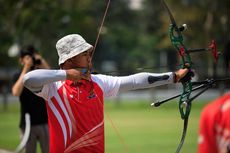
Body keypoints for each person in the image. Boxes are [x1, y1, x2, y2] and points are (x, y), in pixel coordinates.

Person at [23, 34, 193, 153]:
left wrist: (174, 77)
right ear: (70, 60)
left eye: (89, 53)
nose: (90, 57)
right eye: (84, 54)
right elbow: (28, 79)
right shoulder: (53, 87)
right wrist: (66, 74)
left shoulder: (98, 82)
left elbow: (134, 81)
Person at [12, 45, 50, 153]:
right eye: (28, 57)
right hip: (28, 123)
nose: (31, 59)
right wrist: (26, 68)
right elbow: (15, 92)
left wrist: (41, 60)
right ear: (21, 60)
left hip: (45, 121)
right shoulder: (18, 75)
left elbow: (53, 76)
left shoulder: (40, 73)